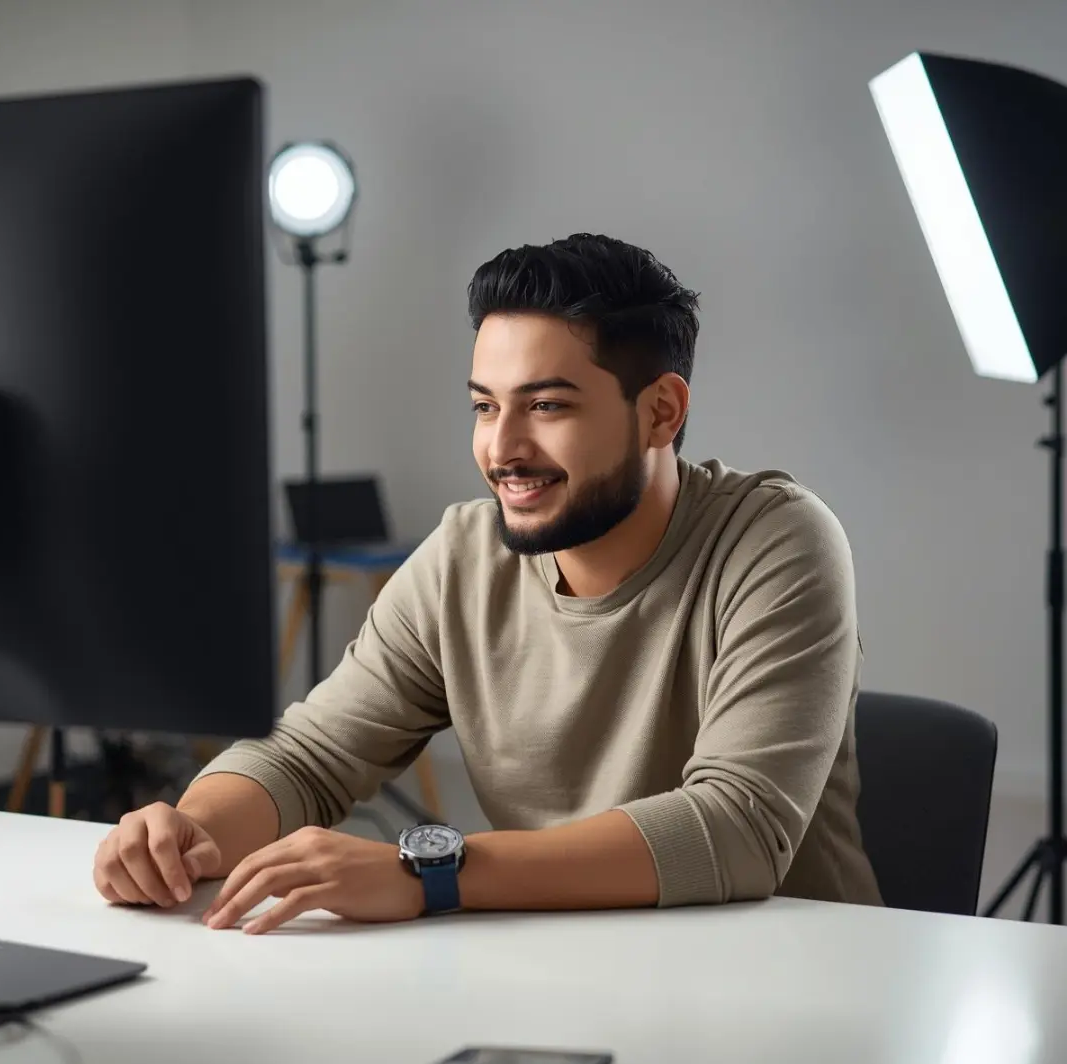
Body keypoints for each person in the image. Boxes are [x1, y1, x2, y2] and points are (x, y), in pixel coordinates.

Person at [92, 233, 882, 934]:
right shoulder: (463, 556)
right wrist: (190, 831)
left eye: (546, 405)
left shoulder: (776, 540)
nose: (502, 448)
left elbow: (736, 829)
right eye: (484, 406)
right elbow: (309, 756)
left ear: (660, 413)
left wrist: (430, 875)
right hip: (555, 963)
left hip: (789, 982)